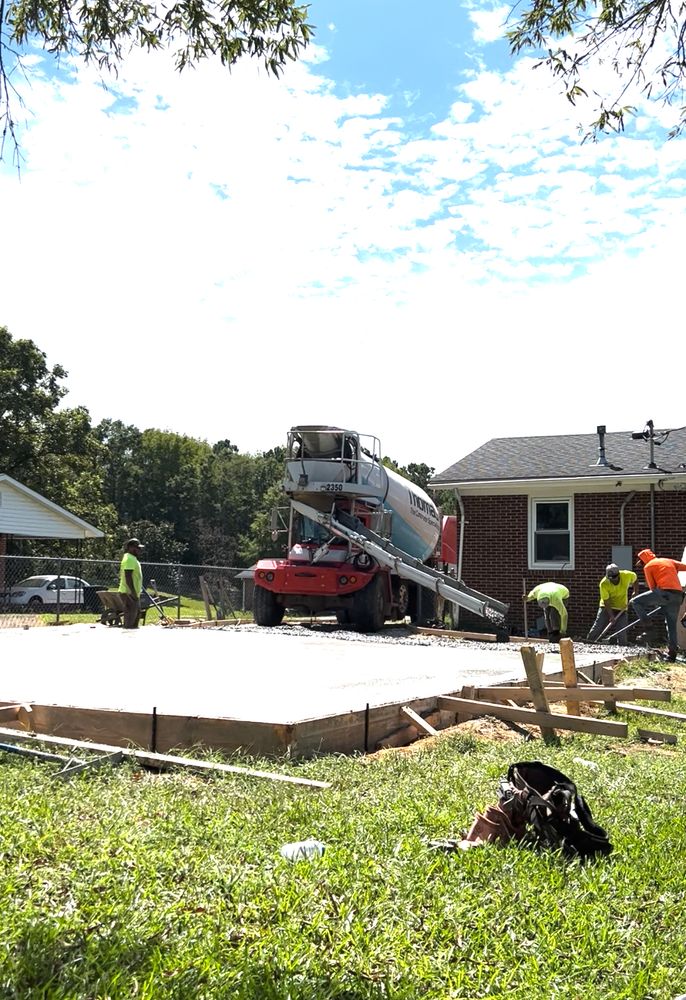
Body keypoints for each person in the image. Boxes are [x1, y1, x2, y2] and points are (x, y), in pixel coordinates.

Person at [631, 549, 686, 662]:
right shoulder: (669, 561)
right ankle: (672, 655)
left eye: (641, 562)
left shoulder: (648, 566)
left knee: (636, 602)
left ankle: (649, 628)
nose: (642, 565)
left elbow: (652, 587)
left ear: (644, 560)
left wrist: (658, 600)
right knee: (671, 626)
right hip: (678, 596)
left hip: (665, 593)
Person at [586, 563, 637, 643]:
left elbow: (635, 579)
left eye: (614, 578)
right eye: (610, 578)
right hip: (606, 607)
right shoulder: (604, 583)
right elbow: (606, 601)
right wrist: (611, 616)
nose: (612, 580)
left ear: (618, 574)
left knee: (622, 631)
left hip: (622, 607)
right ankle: (588, 642)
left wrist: (635, 591)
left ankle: (622, 647)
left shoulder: (627, 575)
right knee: (598, 626)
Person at [118, 538, 144, 629]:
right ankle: (127, 638)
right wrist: (132, 592)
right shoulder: (129, 558)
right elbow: (128, 576)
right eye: (137, 548)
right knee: (130, 621)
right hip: (128, 593)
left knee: (135, 619)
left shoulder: (132, 558)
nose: (139, 550)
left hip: (133, 593)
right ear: (130, 548)